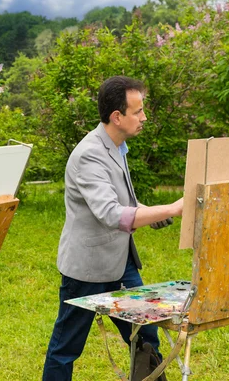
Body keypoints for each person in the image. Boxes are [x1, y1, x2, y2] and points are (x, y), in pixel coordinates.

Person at [42, 76, 184, 380]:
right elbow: (110, 214)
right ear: (117, 117)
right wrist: (172, 207)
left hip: (121, 264)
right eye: (138, 112)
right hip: (87, 269)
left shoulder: (117, 146)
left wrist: (156, 213)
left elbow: (124, 201)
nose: (144, 117)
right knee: (66, 348)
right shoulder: (89, 155)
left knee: (146, 336)